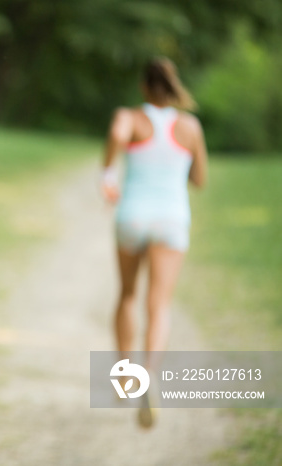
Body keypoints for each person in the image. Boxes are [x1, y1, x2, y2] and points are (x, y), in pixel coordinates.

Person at [100, 57, 208, 427]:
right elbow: (200, 178)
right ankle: (149, 377)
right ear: (173, 86)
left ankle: (125, 376)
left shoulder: (130, 117)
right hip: (171, 219)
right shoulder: (190, 126)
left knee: (128, 295)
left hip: (132, 215)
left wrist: (109, 173)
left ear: (144, 87)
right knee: (158, 305)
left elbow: (117, 134)